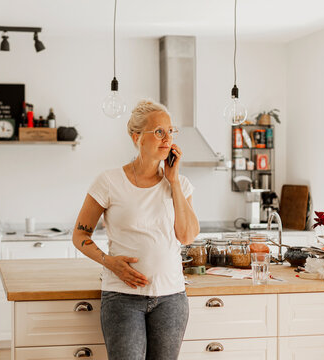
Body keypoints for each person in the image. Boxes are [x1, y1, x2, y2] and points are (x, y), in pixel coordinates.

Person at [72, 99, 200, 360]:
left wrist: (173, 181)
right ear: (136, 137)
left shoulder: (180, 184)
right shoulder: (109, 181)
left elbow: (187, 235)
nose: (167, 138)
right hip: (123, 298)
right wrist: (110, 263)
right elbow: (79, 235)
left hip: (171, 298)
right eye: (159, 131)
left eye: (170, 131)